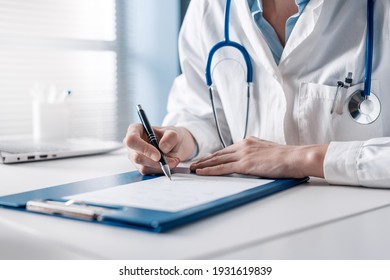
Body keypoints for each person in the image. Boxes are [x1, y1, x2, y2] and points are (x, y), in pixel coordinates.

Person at [124, 0, 390, 188]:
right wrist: (180, 139)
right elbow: (202, 112)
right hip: (249, 223)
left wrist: (302, 158)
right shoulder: (209, 6)